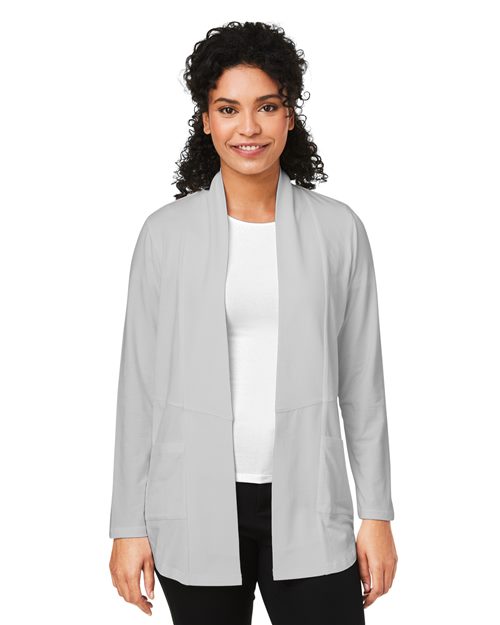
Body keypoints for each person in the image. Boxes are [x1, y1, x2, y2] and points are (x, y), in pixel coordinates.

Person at [108, 20, 398, 625]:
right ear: (205, 121)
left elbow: (362, 385)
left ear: (290, 116)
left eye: (266, 106)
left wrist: (377, 514)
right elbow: (139, 388)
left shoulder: (338, 230)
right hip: (192, 501)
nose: (248, 128)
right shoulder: (165, 235)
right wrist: (127, 525)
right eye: (228, 109)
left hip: (310, 499)